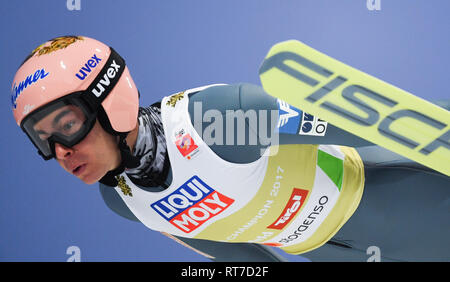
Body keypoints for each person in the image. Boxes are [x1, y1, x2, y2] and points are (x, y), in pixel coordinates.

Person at [11, 35, 450, 262]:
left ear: (110, 102)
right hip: (325, 251)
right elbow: (228, 251)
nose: (61, 150)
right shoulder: (121, 201)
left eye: (67, 125)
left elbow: (364, 123)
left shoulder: (215, 121)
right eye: (42, 139)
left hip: (389, 200)